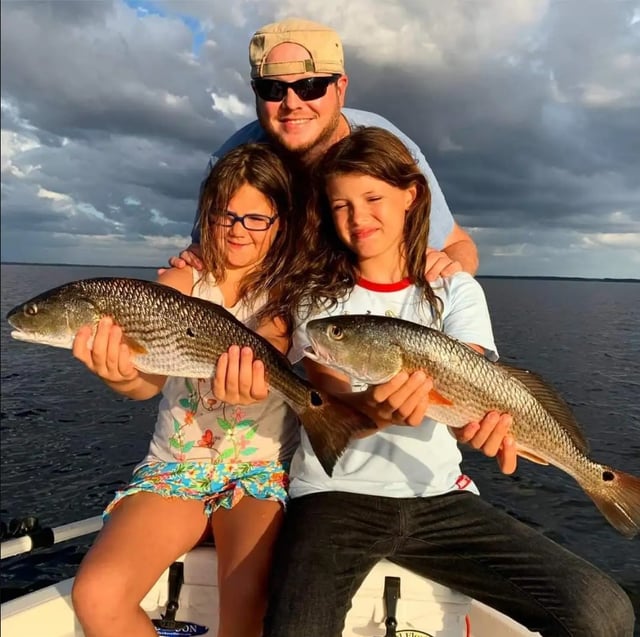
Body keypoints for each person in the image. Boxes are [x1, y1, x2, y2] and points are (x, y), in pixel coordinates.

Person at [255, 127, 634, 636]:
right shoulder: (319, 302)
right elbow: (332, 401)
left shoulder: (456, 289)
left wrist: (481, 430)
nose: (358, 217)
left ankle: (597, 478)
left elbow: (473, 387)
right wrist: (377, 411)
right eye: (341, 205)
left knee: (605, 612)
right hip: (334, 496)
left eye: (373, 198)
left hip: (442, 498)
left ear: (412, 196)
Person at [70, 143, 302, 637]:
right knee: (96, 595)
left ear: (279, 222)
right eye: (226, 214)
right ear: (207, 216)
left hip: (256, 471)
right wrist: (118, 372)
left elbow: (273, 346)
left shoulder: (291, 294)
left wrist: (250, 378)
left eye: (256, 218)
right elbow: (145, 384)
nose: (239, 229)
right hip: (175, 467)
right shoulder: (179, 280)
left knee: (245, 605)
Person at [169, 17, 478, 281]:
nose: (292, 103)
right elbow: (205, 254)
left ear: (340, 88)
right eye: (273, 89)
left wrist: (450, 274)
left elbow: (457, 245)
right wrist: (194, 260)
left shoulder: (385, 149)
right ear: (255, 94)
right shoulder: (231, 162)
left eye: (310, 86)